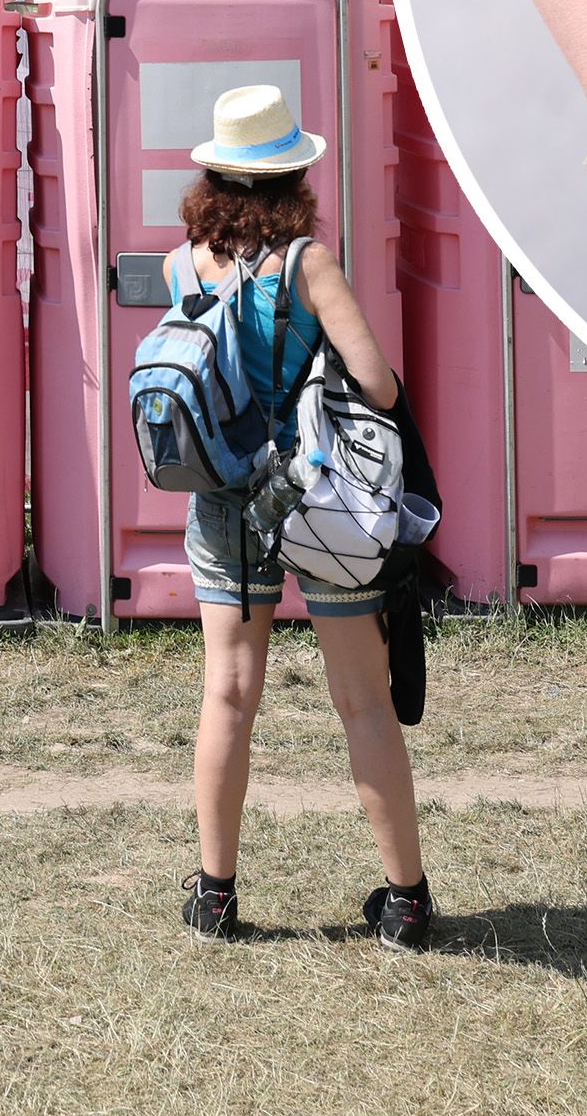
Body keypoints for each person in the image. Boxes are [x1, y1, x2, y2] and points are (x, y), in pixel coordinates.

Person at [164, 84, 429, 948]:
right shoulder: (307, 262)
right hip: (320, 506)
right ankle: (405, 901)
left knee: (228, 695)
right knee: (362, 700)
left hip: (223, 506)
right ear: (292, 176)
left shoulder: (181, 262)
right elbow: (381, 385)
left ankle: (214, 896)